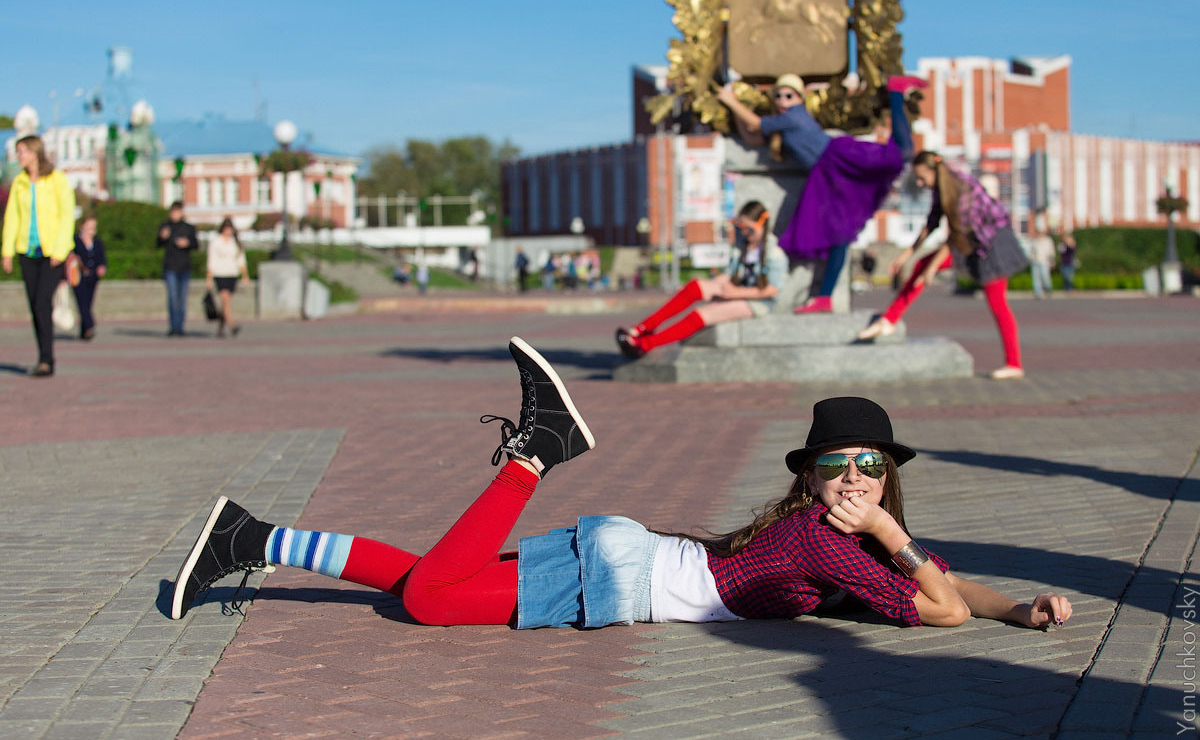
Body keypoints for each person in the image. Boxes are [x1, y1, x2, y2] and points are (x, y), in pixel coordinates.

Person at [171, 342, 1073, 633]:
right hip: (618, 578)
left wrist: (1017, 611)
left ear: (887, 475)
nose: (851, 480)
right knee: (437, 602)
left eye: (868, 468)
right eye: (835, 466)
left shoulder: (846, 550)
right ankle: (538, 448)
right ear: (809, 481)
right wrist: (885, 535)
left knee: (420, 581)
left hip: (621, 556)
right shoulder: (820, 541)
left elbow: (953, 589)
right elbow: (938, 607)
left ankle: (249, 539)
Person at [717, 74, 923, 313]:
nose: (784, 101)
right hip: (827, 174)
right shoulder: (782, 121)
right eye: (779, 96)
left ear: (800, 98)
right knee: (839, 235)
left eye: (789, 96)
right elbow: (752, 137)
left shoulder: (792, 117)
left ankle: (896, 91)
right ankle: (824, 297)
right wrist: (733, 109)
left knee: (901, 154)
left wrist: (730, 101)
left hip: (837, 160)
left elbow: (754, 124)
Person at [857, 151, 1029, 380]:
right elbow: (932, 224)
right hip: (967, 242)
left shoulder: (962, 189)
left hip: (991, 244)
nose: (919, 183)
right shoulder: (941, 188)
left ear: (933, 171)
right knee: (922, 265)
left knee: (997, 303)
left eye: (921, 178)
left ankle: (1014, 364)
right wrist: (906, 255)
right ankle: (890, 319)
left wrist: (931, 269)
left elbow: (956, 236)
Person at [615, 201, 787, 358]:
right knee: (695, 287)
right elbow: (728, 275)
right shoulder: (743, 247)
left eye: (749, 229)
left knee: (700, 315)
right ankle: (643, 328)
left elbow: (773, 289)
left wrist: (737, 292)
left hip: (757, 303)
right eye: (741, 227)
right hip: (737, 292)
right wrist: (715, 285)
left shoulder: (774, 253)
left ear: (762, 224)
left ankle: (645, 344)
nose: (745, 233)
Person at [1, 134, 76, 376]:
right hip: (27, 252)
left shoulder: (56, 179)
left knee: (43, 303)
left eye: (22, 151)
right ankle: (43, 356)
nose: (18, 156)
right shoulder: (20, 183)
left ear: (34, 152)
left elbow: (66, 215)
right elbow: (12, 217)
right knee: (35, 306)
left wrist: (60, 250)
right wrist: (7, 251)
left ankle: (47, 360)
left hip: (51, 253)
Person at [157, 201, 199, 337]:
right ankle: (173, 326)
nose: (174, 214)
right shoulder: (165, 226)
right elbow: (158, 244)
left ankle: (180, 326)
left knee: (182, 299)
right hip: (170, 267)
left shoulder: (188, 228)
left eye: (177, 211)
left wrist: (187, 243)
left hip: (184, 267)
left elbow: (196, 244)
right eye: (173, 212)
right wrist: (162, 237)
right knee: (173, 297)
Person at [205, 218, 250, 338]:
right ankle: (232, 325)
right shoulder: (216, 242)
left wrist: (245, 276)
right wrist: (209, 278)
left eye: (230, 228)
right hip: (220, 274)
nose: (228, 231)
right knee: (225, 301)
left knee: (226, 303)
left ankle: (220, 328)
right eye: (226, 228)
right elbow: (211, 261)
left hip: (232, 274)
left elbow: (241, 260)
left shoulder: (235, 242)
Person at [71, 214, 107, 340]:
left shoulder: (97, 242)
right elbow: (70, 258)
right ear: (83, 226)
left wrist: (102, 266)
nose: (92, 229)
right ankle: (90, 326)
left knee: (88, 303)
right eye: (89, 226)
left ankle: (84, 331)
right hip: (78, 276)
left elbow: (102, 258)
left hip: (93, 277)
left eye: (94, 227)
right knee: (82, 302)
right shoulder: (75, 240)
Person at [1027, 221, 1056, 299]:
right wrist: (1031, 258)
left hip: (1044, 261)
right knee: (1036, 278)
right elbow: (1030, 251)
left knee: (1045, 276)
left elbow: (1051, 251)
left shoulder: (1047, 240)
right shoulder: (1034, 241)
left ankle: (1048, 289)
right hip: (1035, 261)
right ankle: (1038, 293)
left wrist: (1052, 260)